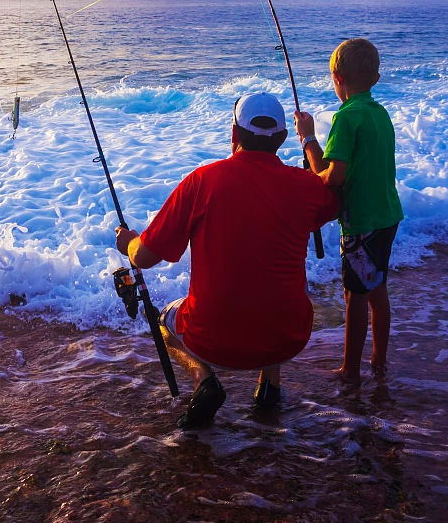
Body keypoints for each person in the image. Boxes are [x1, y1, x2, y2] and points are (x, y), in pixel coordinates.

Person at [115, 93, 338, 429]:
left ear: (234, 134)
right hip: (289, 335)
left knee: (164, 322)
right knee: (271, 287)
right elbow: (333, 196)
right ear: (280, 138)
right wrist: (309, 141)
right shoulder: (307, 187)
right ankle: (269, 390)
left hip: (216, 340)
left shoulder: (202, 181)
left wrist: (128, 242)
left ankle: (204, 379)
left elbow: (145, 258)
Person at [294, 38, 403, 384]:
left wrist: (308, 139)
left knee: (355, 296)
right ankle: (378, 361)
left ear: (337, 78)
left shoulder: (347, 117)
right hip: (387, 214)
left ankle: (351, 370)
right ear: (376, 77)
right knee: (377, 289)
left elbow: (331, 177)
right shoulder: (379, 113)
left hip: (362, 221)